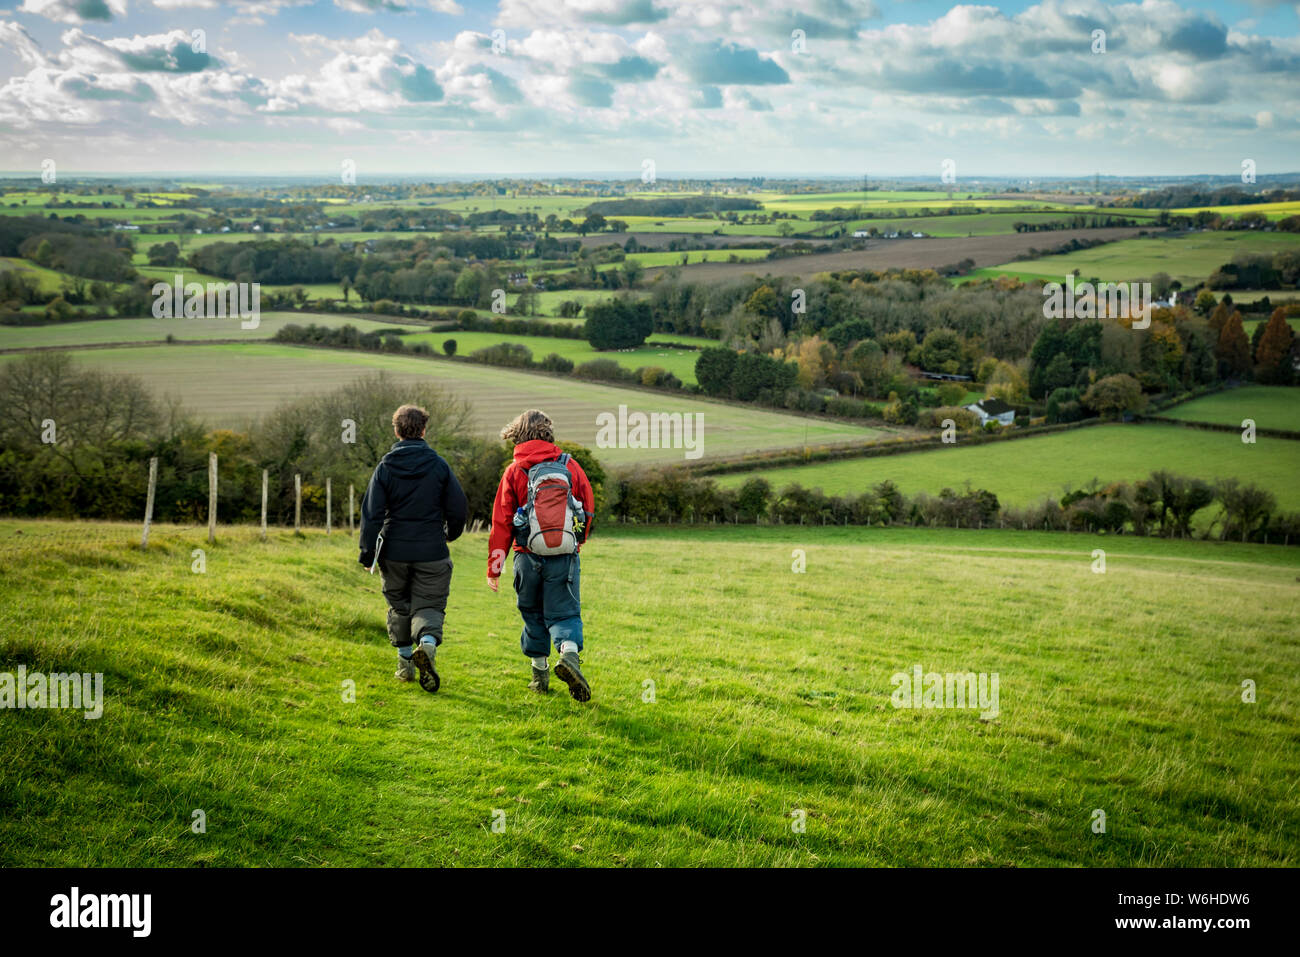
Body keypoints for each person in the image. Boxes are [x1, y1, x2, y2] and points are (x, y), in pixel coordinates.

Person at [487, 409, 595, 701]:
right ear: (548, 432)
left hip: (526, 556)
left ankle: (539, 675)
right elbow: (588, 506)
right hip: (564, 555)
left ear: (518, 435)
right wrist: (577, 540)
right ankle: (569, 656)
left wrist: (494, 568)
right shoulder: (569, 465)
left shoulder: (514, 471)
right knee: (565, 612)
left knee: (532, 614)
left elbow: (502, 523)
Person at [359, 404, 467, 694]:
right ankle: (428, 646)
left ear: (396, 431)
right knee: (429, 605)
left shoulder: (385, 467)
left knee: (400, 605)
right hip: (432, 549)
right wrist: (449, 535)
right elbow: (458, 507)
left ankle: (405, 665)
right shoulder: (439, 465)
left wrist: (367, 552)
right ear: (423, 430)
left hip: (393, 551)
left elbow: (371, 514)